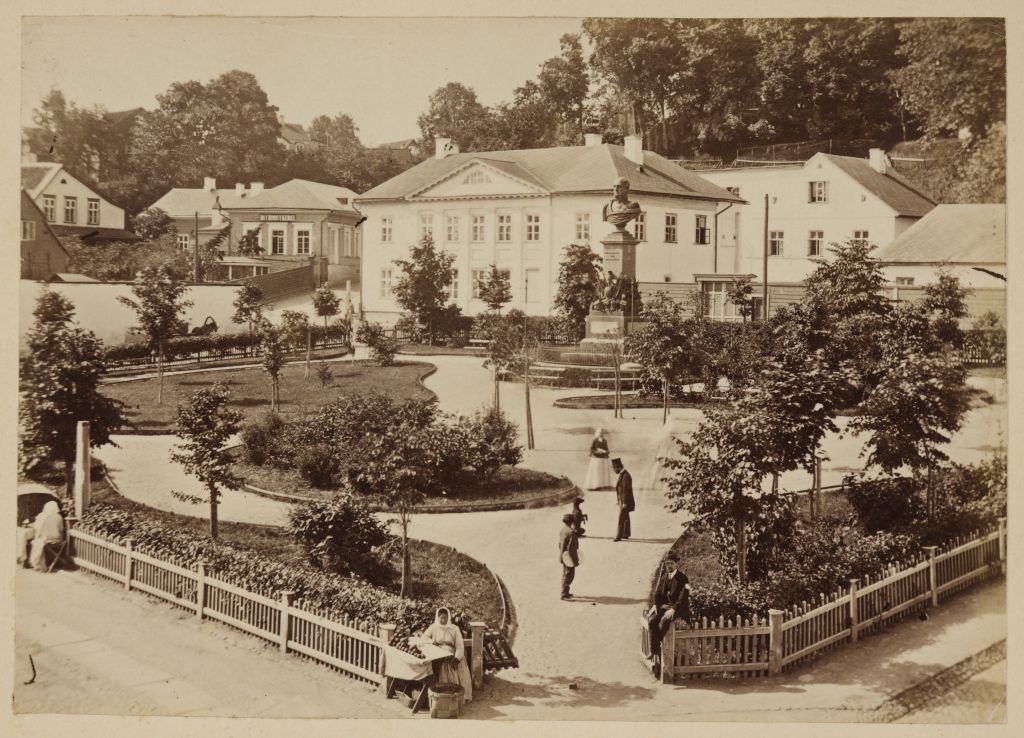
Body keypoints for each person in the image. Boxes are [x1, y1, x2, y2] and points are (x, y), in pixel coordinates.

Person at [646, 556, 690, 678]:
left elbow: (684, 596)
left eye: (671, 563)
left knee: (665, 621)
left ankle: (657, 643)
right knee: (652, 621)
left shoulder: (683, 578)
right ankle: (654, 649)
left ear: (676, 564)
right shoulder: (665, 577)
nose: (669, 566)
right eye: (667, 564)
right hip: (665, 606)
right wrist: (655, 605)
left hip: (678, 607)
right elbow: (657, 593)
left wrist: (673, 609)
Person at [420, 606, 472, 702]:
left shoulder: (454, 629)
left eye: (445, 617)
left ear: (448, 618)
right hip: (438, 654)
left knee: (453, 667)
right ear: (438, 617)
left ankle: (454, 696)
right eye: (441, 617)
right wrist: (432, 641)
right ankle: (440, 695)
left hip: (451, 654)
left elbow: (459, 645)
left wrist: (457, 658)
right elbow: (424, 638)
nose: (443, 620)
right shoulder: (434, 627)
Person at [28, 501, 65, 572]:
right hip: (57, 540)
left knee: (36, 541)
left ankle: (36, 564)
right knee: (40, 541)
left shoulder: (42, 516)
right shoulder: (59, 517)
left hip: (44, 539)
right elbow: (61, 529)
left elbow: (35, 528)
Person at [612, 458, 634, 541]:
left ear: (618, 467)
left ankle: (618, 536)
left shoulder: (625, 476)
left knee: (621, 517)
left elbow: (625, 490)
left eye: (614, 468)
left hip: (625, 501)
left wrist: (624, 502)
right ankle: (626, 533)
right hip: (622, 500)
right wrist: (619, 500)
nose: (614, 470)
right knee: (626, 516)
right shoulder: (623, 474)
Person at [559, 513, 579, 600]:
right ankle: (564, 594)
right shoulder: (571, 532)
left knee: (566, 573)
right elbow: (572, 548)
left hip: (563, 555)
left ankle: (566, 592)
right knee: (569, 575)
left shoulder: (563, 530)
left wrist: (562, 553)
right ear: (572, 521)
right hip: (569, 557)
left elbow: (559, 544)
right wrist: (575, 560)